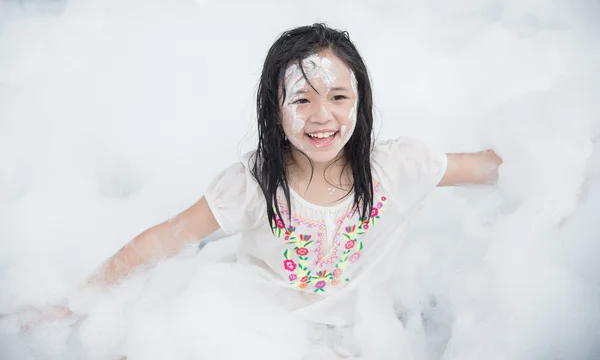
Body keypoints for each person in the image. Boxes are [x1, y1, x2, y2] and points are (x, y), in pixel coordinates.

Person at [11, 23, 502, 357]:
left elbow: (490, 168)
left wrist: (560, 166)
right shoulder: (255, 183)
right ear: (275, 109)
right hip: (247, 317)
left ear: (360, 102)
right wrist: (75, 302)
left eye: (338, 97)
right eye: (302, 99)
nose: (322, 115)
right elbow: (163, 240)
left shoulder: (398, 166)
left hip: (350, 336)